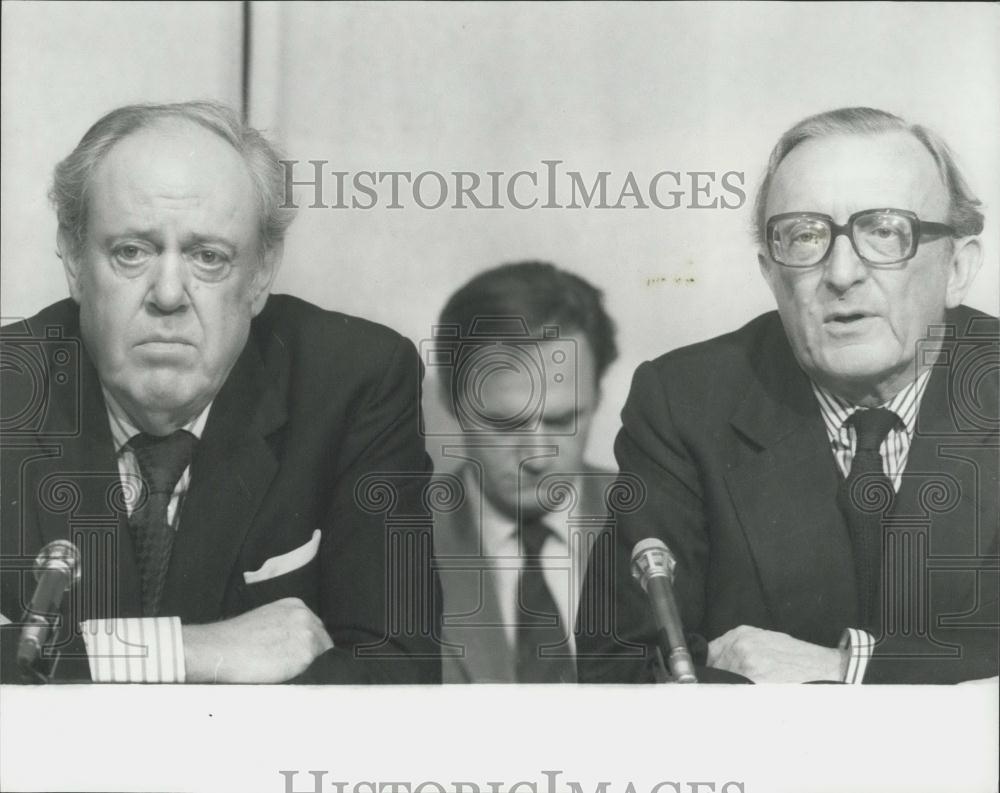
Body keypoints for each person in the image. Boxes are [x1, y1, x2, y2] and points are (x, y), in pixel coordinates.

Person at [0, 101, 440, 684]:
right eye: (131, 251)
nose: (168, 294)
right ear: (76, 259)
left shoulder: (354, 380)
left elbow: (397, 669)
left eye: (209, 257)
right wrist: (180, 651)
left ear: (261, 273)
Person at [576, 107, 998, 684]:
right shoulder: (683, 402)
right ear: (770, 273)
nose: (842, 272)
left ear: (958, 267)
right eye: (805, 237)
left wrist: (849, 667)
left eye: (884, 231)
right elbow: (622, 669)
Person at [428, 261, 619, 682]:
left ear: (598, 395)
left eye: (561, 420)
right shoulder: (393, 538)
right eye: (503, 423)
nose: (536, 456)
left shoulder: (662, 519)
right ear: (451, 401)